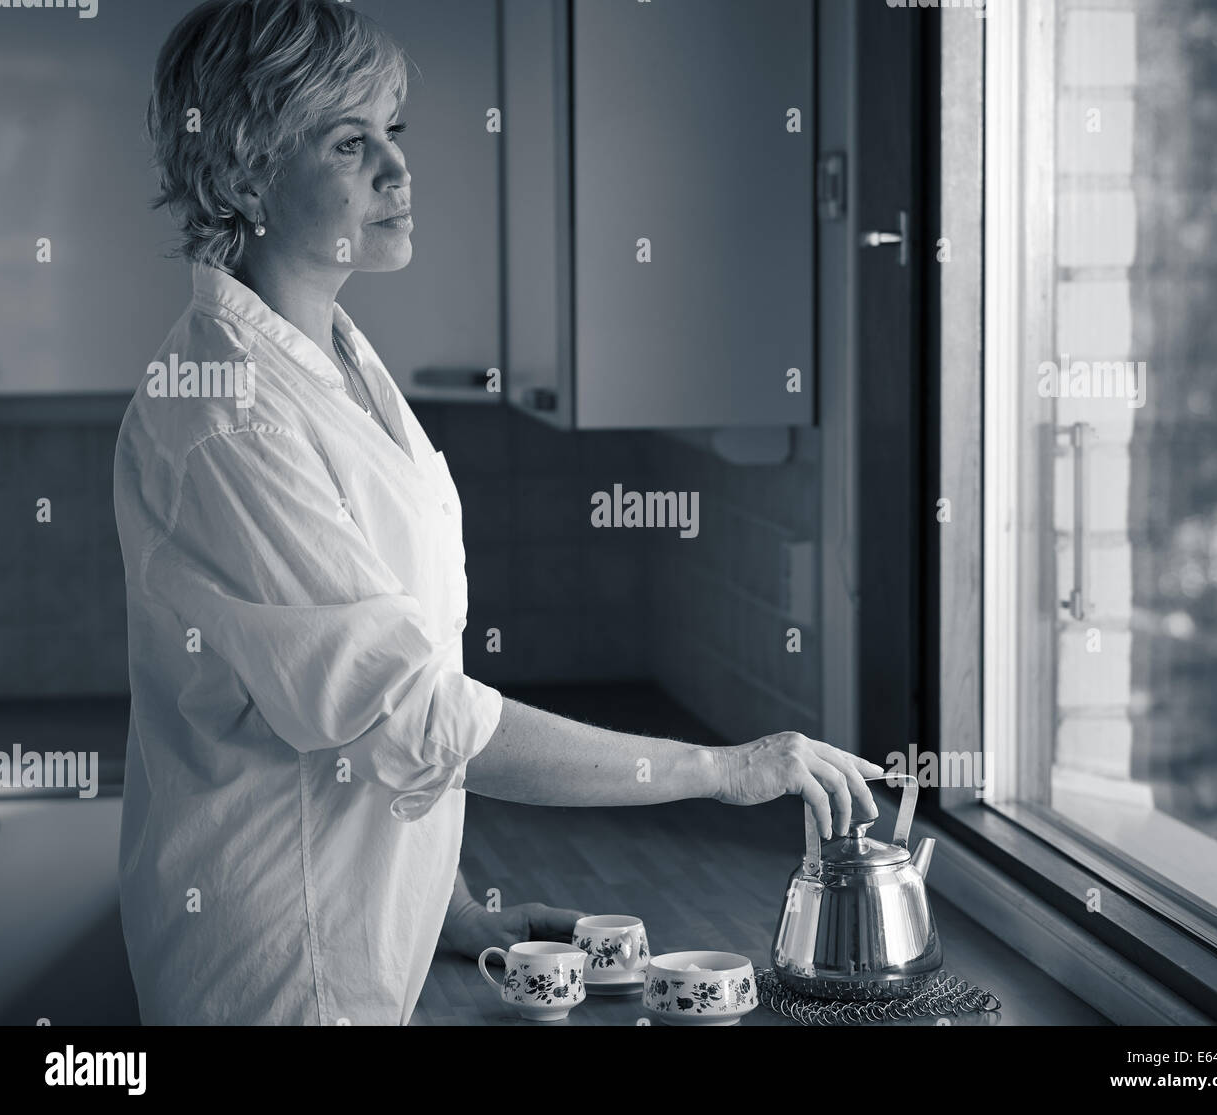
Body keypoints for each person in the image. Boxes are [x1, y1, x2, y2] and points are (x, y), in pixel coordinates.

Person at [113, 0, 881, 1025]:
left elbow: (363, 694)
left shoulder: (331, 362)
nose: (397, 168)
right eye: (351, 141)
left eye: (394, 130)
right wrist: (721, 768)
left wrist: (449, 906)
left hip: (355, 940)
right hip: (281, 974)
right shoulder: (227, 414)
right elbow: (415, 715)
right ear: (247, 173)